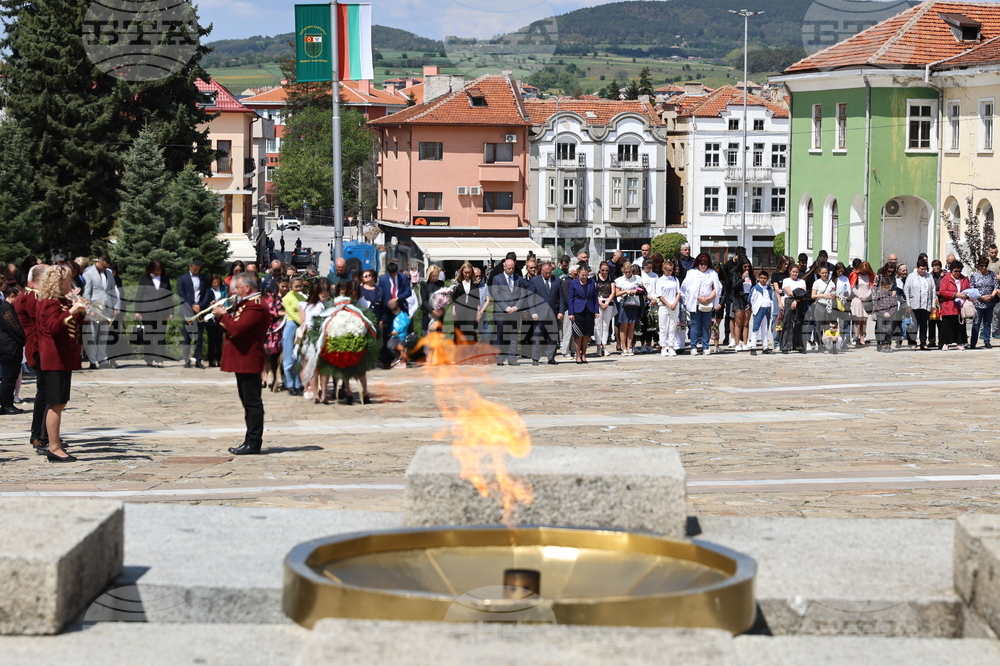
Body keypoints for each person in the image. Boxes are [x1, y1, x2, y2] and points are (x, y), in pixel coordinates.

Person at [213, 273, 271, 455]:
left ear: (247, 287)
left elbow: (237, 329)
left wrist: (223, 315)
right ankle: (250, 440)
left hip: (249, 357)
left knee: (252, 402)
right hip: (243, 357)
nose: (235, 291)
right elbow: (231, 326)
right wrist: (219, 316)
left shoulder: (256, 305)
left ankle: (253, 442)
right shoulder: (247, 304)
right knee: (247, 401)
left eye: (237, 288)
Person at [36, 265, 87, 462]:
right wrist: (72, 310)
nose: (71, 284)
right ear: (59, 282)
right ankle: (54, 447)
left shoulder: (60, 300)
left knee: (60, 402)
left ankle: (55, 445)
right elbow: (53, 327)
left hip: (63, 357)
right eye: (68, 280)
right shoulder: (49, 302)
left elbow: (71, 323)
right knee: (56, 403)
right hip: (54, 358)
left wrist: (79, 310)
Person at [14, 264, 49, 451]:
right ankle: (39, 435)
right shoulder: (31, 297)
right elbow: (45, 320)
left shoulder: (33, 295)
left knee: (47, 393)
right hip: (38, 347)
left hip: (40, 347)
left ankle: (43, 434)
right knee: (45, 394)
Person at [81, 254, 120, 369]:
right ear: (98, 262)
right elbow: (86, 292)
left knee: (103, 335)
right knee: (92, 335)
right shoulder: (88, 273)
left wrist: (115, 306)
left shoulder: (109, 273)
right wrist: (88, 309)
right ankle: (92, 360)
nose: (105, 269)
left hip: (106, 307)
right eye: (103, 266)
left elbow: (113, 290)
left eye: (106, 267)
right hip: (93, 307)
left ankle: (102, 359)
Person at [135, 259, 174, 368]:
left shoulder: (165, 279)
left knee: (160, 335)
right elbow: (139, 294)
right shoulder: (145, 278)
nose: (157, 272)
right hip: (148, 311)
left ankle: (159, 359)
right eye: (155, 270)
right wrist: (137, 310)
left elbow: (169, 296)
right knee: (149, 335)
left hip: (162, 311)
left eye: (159, 270)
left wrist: (171, 311)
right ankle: (149, 358)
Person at [680, 253, 721, 355]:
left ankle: (705, 346)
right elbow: (687, 288)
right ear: (698, 264)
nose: (703, 266)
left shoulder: (712, 273)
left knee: (706, 326)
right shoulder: (691, 273)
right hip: (695, 302)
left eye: (705, 264)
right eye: (701, 264)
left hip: (707, 303)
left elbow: (717, 287)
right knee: (695, 325)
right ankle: (693, 346)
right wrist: (698, 297)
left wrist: (709, 298)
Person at [299, 278, 332, 403]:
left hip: (326, 338)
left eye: (327, 295)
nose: (325, 297)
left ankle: (324, 393)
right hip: (312, 338)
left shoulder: (330, 305)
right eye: (323, 295)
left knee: (325, 368)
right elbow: (305, 323)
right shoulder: (309, 306)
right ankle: (315, 394)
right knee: (314, 367)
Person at [177, 259, 213, 368]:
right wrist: (192, 305)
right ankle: (187, 360)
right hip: (187, 310)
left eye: (197, 269)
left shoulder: (204, 279)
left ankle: (198, 360)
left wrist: (200, 305)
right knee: (187, 336)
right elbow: (182, 295)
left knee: (199, 337)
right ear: (190, 266)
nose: (195, 271)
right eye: (194, 269)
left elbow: (207, 293)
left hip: (200, 311)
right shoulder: (183, 279)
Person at [377, 262, 413, 367]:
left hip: (400, 308)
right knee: (387, 335)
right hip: (387, 310)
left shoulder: (403, 278)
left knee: (402, 334)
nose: (393, 276)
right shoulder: (383, 279)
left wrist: (397, 298)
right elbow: (381, 294)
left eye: (394, 274)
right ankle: (387, 360)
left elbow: (408, 292)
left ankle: (402, 359)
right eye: (391, 274)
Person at [490, 258, 525, 366]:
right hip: (501, 312)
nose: (511, 270)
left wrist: (517, 307)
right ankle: (499, 358)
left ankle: (512, 358)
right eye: (509, 268)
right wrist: (506, 308)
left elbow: (523, 294)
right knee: (500, 335)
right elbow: (496, 294)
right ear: (504, 267)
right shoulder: (497, 278)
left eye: (512, 268)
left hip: (515, 312)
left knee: (513, 335)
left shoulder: (519, 279)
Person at [527, 261, 562, 366]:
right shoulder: (535, 281)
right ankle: (535, 358)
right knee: (537, 336)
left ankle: (551, 357)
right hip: (539, 313)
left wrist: (561, 311)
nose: (548, 274)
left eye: (549, 272)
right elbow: (530, 298)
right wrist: (533, 312)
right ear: (541, 271)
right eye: (546, 272)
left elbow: (561, 298)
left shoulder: (557, 280)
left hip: (553, 313)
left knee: (553, 336)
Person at [0, 283, 25, 415]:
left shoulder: (8, 307)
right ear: (12, 296)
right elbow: (15, 328)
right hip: (8, 348)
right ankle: (6, 405)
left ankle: (7, 403)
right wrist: (26, 337)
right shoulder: (6, 308)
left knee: (12, 376)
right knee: (8, 377)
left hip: (12, 347)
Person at [280, 277, 307, 396]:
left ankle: (297, 384)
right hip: (292, 325)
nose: (299, 288)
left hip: (301, 326)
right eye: (296, 286)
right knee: (288, 356)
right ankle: (289, 384)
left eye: (301, 286)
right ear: (290, 286)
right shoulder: (287, 298)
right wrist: (303, 322)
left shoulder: (303, 297)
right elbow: (291, 312)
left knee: (299, 357)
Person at [567, 263, 598, 363]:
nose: (584, 277)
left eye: (586, 275)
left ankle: (584, 354)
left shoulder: (592, 282)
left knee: (586, 334)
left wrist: (596, 311)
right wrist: (571, 313)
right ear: (578, 273)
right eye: (582, 275)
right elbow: (570, 298)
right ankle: (577, 355)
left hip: (589, 310)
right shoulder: (573, 283)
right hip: (577, 311)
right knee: (578, 335)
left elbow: (595, 297)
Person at [905, 259, 936, 351]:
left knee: (924, 324)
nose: (923, 271)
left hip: (925, 305)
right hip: (914, 305)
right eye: (921, 269)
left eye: (925, 269)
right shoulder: (911, 276)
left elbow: (933, 290)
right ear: (917, 268)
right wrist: (908, 304)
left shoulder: (929, 277)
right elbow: (906, 290)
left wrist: (933, 304)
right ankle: (912, 342)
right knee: (914, 324)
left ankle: (923, 342)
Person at [969, 256, 999, 350]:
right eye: (982, 266)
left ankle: (987, 341)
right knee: (976, 323)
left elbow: (996, 286)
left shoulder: (992, 274)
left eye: (985, 265)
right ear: (979, 266)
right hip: (978, 303)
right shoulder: (974, 275)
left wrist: (991, 296)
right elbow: (972, 289)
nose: (984, 268)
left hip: (989, 303)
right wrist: (981, 297)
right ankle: (973, 342)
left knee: (987, 323)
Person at [938, 261, 970, 351]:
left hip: (960, 306)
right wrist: (954, 294)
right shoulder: (945, 279)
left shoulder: (964, 279)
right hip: (949, 305)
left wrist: (965, 295)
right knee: (947, 325)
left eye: (959, 271)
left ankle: (959, 343)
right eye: (956, 271)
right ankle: (945, 343)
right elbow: (942, 291)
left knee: (959, 325)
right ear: (951, 270)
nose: (957, 273)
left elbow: (969, 289)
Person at [613, 261, 643, 356]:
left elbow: (641, 289)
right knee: (624, 326)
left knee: (631, 326)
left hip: (634, 303)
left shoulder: (637, 278)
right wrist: (626, 291)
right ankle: (624, 347)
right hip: (624, 303)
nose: (627, 274)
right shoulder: (619, 280)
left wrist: (636, 290)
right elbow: (616, 293)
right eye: (625, 272)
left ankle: (629, 347)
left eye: (629, 272)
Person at [451, 262, 485, 345]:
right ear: (462, 272)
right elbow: (454, 298)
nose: (467, 274)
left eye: (469, 273)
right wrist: (454, 311)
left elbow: (477, 298)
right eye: (465, 272)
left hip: (471, 310)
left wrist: (478, 311)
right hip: (460, 309)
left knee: (471, 331)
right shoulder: (458, 283)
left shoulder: (474, 284)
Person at [263, 278, 287, 390]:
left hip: (279, 329)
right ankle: (271, 378)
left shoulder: (279, 298)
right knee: (272, 355)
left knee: (279, 356)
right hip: (270, 330)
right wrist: (280, 313)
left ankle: (279, 378)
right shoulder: (266, 298)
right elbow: (270, 311)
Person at [655, 259, 681, 357]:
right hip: (664, 306)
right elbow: (660, 295)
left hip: (674, 306)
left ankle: (671, 346)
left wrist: (674, 303)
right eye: (668, 270)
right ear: (663, 269)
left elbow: (678, 293)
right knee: (663, 327)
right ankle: (663, 347)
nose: (670, 272)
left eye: (671, 270)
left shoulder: (675, 279)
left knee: (672, 326)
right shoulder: (660, 280)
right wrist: (668, 304)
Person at [780, 264, 808, 353]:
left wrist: (796, 300)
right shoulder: (786, 280)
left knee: (799, 324)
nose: (795, 274)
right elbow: (789, 292)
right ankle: (785, 346)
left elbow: (803, 293)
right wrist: (798, 295)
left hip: (799, 302)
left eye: (796, 272)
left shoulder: (802, 281)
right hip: (789, 300)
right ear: (790, 272)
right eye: (793, 272)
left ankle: (799, 346)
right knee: (787, 323)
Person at [729, 256, 753, 351]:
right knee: (738, 323)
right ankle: (737, 343)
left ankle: (745, 343)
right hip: (738, 298)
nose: (747, 268)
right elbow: (733, 287)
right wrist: (742, 278)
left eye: (748, 266)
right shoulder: (736, 274)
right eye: (745, 266)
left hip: (748, 299)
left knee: (746, 323)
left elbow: (754, 288)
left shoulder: (751, 276)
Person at [748, 270, 774, 355]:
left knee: (765, 329)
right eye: (761, 278)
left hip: (767, 309)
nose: (763, 280)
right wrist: (754, 308)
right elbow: (751, 299)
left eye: (764, 278)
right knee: (756, 328)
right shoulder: (756, 288)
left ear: (767, 279)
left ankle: (765, 347)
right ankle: (753, 347)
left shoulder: (769, 288)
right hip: (759, 309)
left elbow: (771, 298)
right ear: (758, 278)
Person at [871, 273, 900, 352]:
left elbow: (895, 305)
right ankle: (882, 344)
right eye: (885, 287)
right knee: (881, 330)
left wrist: (890, 313)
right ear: (881, 286)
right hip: (881, 315)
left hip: (890, 315)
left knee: (889, 330)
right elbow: (876, 305)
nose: (886, 289)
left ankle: (888, 344)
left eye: (888, 287)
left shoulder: (891, 294)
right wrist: (883, 313)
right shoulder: (878, 294)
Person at [849, 261, 875, 347]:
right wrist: (860, 296)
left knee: (864, 321)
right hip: (857, 299)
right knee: (858, 321)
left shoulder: (871, 275)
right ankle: (856, 338)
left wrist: (866, 296)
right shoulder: (855, 274)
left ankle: (862, 338)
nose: (864, 272)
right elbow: (852, 287)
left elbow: (872, 287)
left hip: (866, 299)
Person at [594, 261, 616, 356]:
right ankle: (598, 346)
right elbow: (594, 292)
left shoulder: (610, 278)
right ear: (600, 269)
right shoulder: (595, 278)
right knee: (597, 325)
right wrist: (600, 303)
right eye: (603, 270)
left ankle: (604, 346)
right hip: (598, 301)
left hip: (608, 302)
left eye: (606, 270)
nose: (604, 272)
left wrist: (606, 303)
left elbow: (613, 292)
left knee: (606, 325)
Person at [638, 258, 659, 353]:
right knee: (643, 324)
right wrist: (649, 297)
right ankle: (642, 344)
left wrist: (655, 299)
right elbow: (640, 289)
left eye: (650, 267)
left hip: (654, 301)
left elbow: (658, 288)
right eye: (646, 267)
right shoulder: (640, 275)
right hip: (644, 301)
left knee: (651, 325)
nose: (648, 269)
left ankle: (649, 344)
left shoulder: (655, 275)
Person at [417, 265, 445, 335]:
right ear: (429, 274)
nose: (435, 278)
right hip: (428, 313)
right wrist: (432, 310)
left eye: (437, 275)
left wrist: (441, 308)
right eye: (433, 275)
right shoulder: (424, 284)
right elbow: (424, 300)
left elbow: (443, 297)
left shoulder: (441, 283)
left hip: (438, 314)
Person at [558, 264, 579, 358]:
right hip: (568, 309)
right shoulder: (567, 282)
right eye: (576, 273)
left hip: (575, 309)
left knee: (574, 332)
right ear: (571, 273)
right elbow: (567, 298)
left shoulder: (575, 282)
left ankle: (573, 350)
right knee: (568, 331)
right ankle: (565, 351)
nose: (577, 275)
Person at [387, 298, 412, 368]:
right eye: (392, 311)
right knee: (390, 346)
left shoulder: (403, 315)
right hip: (394, 336)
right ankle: (398, 358)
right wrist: (391, 331)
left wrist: (397, 331)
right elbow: (393, 325)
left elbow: (405, 323)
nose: (393, 312)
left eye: (394, 311)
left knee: (400, 347)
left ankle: (403, 361)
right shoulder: (395, 317)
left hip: (401, 336)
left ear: (398, 308)